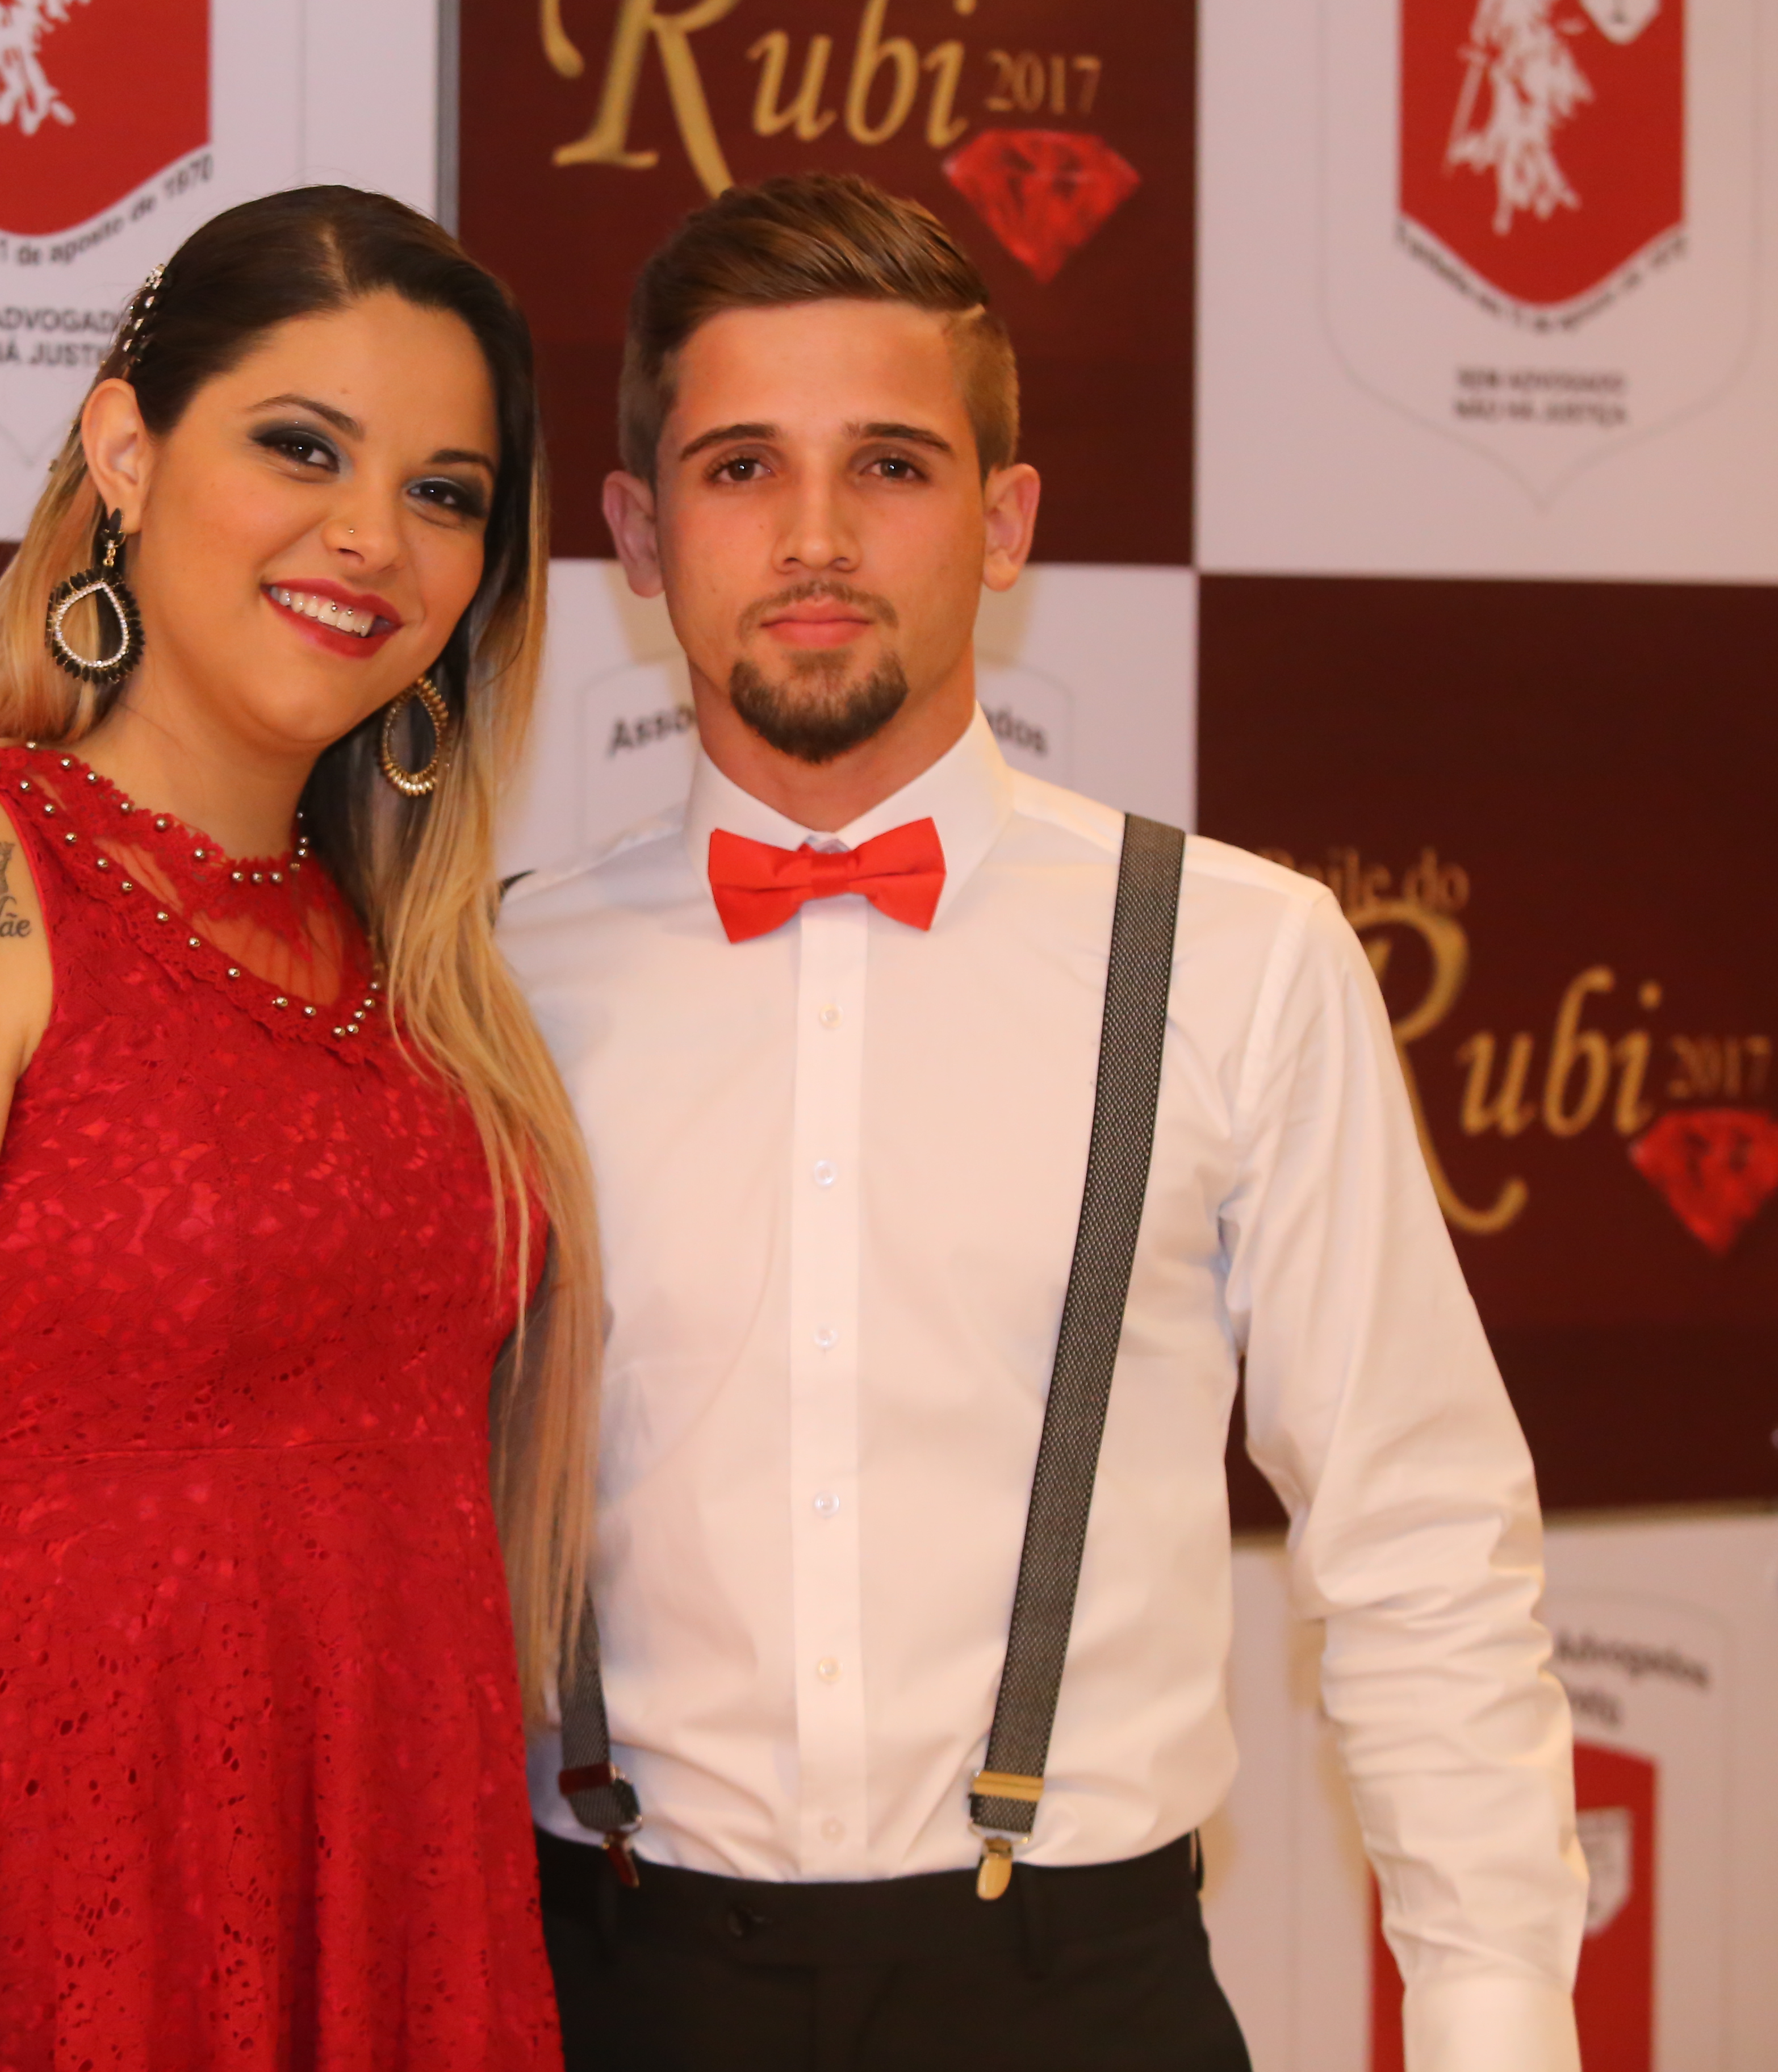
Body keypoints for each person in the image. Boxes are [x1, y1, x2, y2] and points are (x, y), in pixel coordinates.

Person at [498, 174, 1585, 2070]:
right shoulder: (501, 977)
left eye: (892, 466)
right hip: (600, 1990)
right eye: (743, 468)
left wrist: (1496, 2025)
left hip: (1083, 2001)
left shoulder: (1240, 955)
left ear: (1004, 524)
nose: (817, 536)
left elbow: (1420, 1542)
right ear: (640, 536)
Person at [0, 186, 602, 2072]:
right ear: (126, 453)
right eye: (302, 447)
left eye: (446, 492)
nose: (372, 535)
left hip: (388, 1925)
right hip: (8, 1951)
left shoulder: (423, 969)